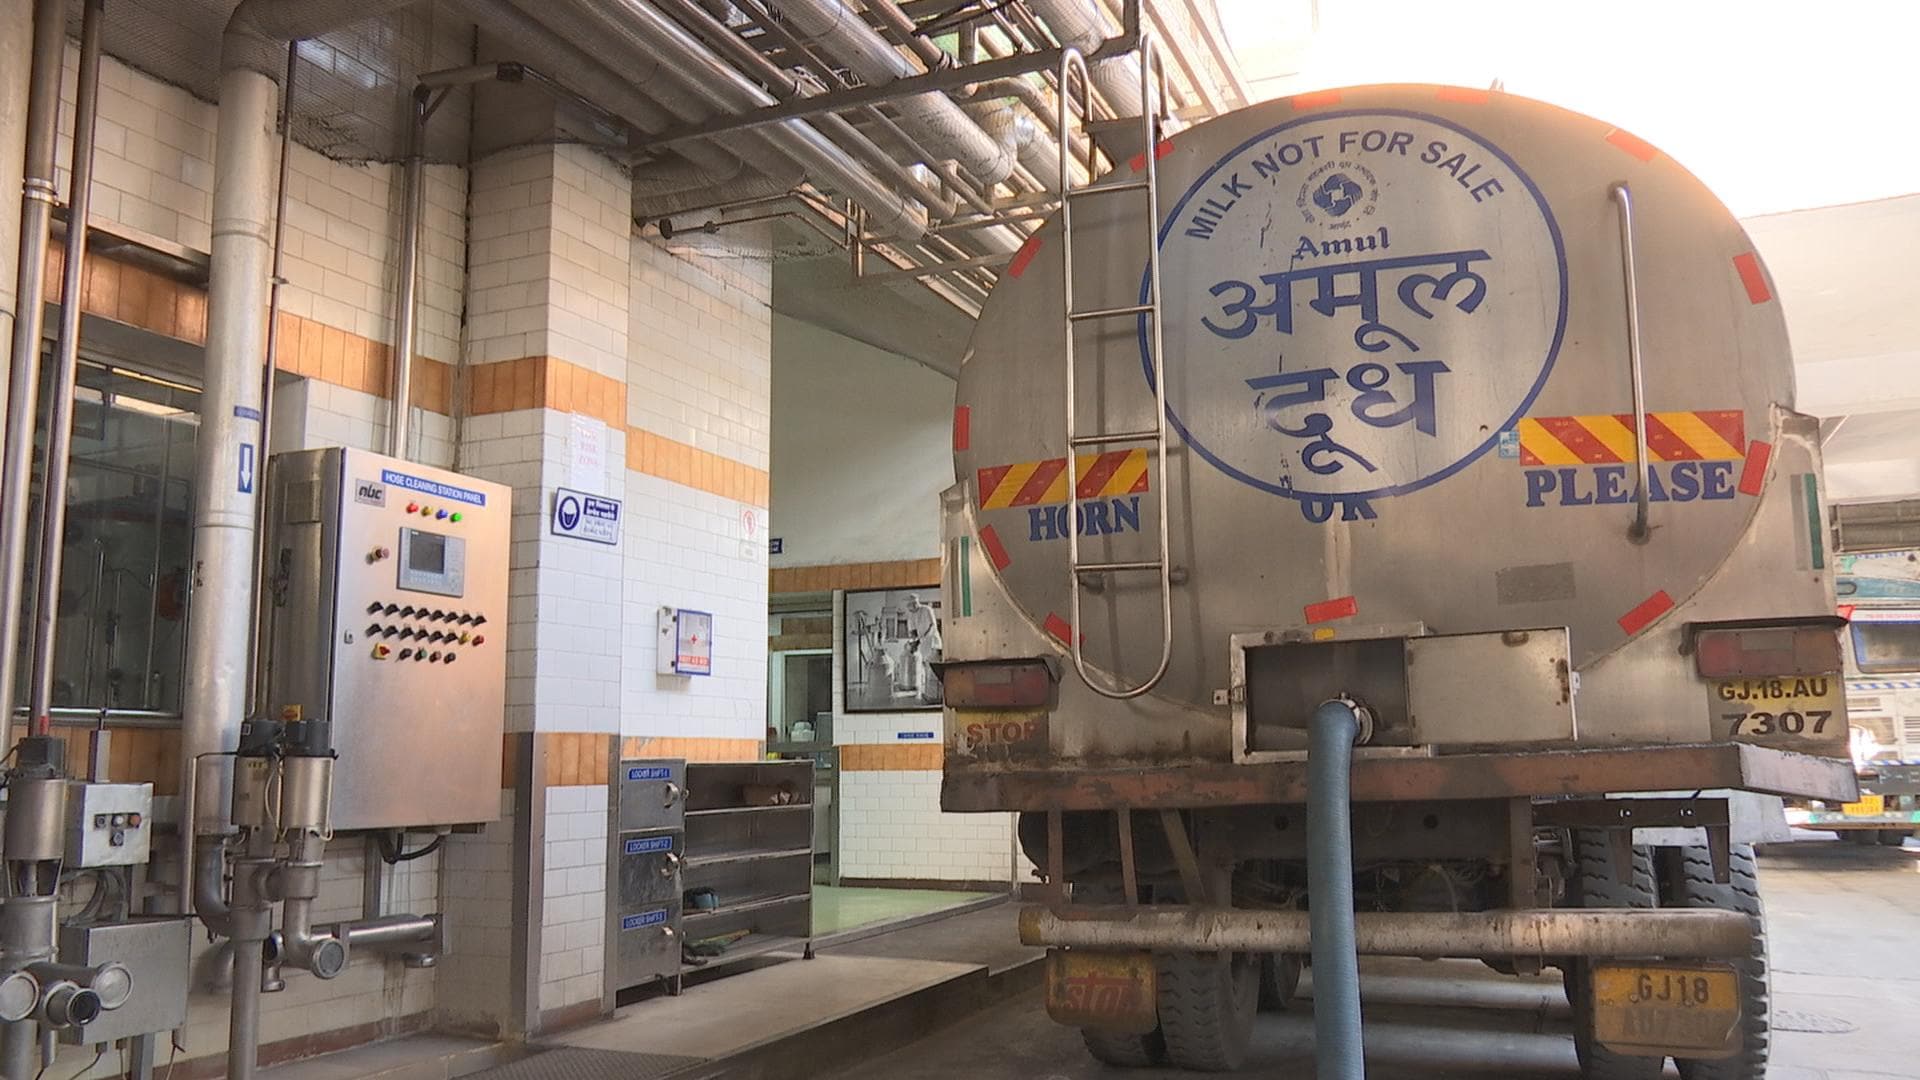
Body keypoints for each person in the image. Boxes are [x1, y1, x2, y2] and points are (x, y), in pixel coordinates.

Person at [904, 593, 942, 703]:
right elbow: (913, 632)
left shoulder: (927, 610)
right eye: (909, 607)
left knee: (934, 670)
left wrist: (921, 639)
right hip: (924, 646)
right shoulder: (911, 616)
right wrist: (912, 642)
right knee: (926, 669)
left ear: (916, 603)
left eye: (912, 605)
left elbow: (932, 626)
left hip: (933, 643)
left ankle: (937, 696)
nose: (910, 609)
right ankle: (929, 693)